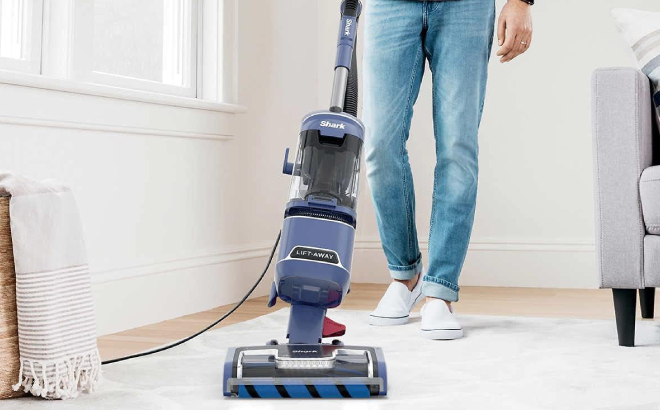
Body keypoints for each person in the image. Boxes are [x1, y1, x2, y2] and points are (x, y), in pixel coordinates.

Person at [363, 0, 533, 339]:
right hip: (390, 5)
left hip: (466, 8)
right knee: (380, 145)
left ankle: (440, 289)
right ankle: (405, 275)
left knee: (457, 147)